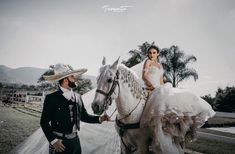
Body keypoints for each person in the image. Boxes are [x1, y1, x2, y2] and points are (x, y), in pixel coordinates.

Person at [139, 45, 215, 154]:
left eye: (154, 52)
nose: (152, 55)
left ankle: (171, 130)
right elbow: (144, 76)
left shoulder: (160, 65)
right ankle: (154, 133)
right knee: (158, 106)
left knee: (171, 99)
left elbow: (161, 81)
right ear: (148, 54)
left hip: (159, 87)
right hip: (151, 87)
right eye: (150, 53)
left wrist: (164, 87)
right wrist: (152, 86)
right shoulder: (147, 62)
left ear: (158, 54)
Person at [40, 63, 110, 154]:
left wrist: (100, 118)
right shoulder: (51, 98)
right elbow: (44, 122)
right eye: (72, 76)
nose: (75, 78)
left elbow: (84, 116)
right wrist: (53, 141)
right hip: (59, 143)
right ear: (65, 80)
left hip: (75, 142)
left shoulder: (78, 97)